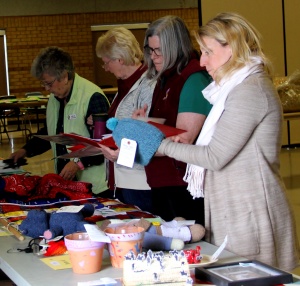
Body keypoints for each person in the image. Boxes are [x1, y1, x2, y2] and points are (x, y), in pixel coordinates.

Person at [155, 12, 299, 271]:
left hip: (250, 210)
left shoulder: (250, 90)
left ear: (231, 48)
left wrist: (160, 145)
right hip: (235, 204)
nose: (202, 61)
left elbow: (214, 156)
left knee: (248, 274)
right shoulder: (235, 88)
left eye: (208, 52)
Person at [133, 15, 212, 225]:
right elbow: (168, 124)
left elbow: (182, 138)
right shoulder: (166, 76)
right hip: (162, 182)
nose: (154, 56)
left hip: (182, 185)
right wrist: (144, 123)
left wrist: (136, 145)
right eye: (150, 50)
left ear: (176, 47)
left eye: (158, 50)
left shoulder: (193, 79)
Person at [10, 46, 111, 195]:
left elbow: (104, 144)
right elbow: (51, 133)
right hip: (67, 184)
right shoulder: (54, 98)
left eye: (49, 83)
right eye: (43, 83)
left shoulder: (93, 96)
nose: (46, 88)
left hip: (96, 187)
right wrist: (24, 150)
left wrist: (78, 164)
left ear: (64, 76)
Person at [89, 27, 155, 211]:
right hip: (122, 176)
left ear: (120, 58)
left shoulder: (147, 85)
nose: (105, 67)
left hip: (139, 181)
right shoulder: (124, 84)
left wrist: (121, 152)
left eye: (106, 62)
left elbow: (149, 136)